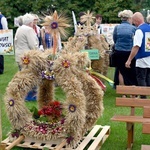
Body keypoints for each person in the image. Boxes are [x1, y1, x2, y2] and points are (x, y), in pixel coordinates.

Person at [125, 12, 150, 98]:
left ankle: (143, 97)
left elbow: (136, 46)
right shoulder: (149, 28)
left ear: (135, 21)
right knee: (148, 78)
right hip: (149, 56)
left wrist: (129, 60)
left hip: (142, 58)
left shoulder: (139, 31)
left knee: (141, 78)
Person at [113, 10, 137, 88]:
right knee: (131, 71)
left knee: (121, 71)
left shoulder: (117, 28)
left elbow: (115, 39)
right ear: (129, 18)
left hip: (119, 51)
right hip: (130, 52)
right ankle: (132, 91)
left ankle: (123, 93)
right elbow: (135, 41)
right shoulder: (134, 28)